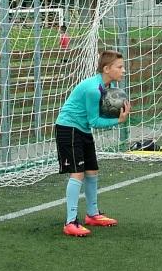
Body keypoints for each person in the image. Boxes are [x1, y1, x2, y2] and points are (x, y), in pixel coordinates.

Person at [54, 49, 132, 237]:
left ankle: (92, 214)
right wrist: (119, 121)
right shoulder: (93, 89)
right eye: (119, 67)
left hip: (82, 129)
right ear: (106, 68)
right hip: (69, 129)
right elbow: (95, 121)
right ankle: (70, 222)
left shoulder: (107, 86)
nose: (124, 71)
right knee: (78, 173)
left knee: (92, 171)